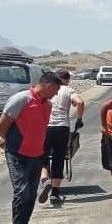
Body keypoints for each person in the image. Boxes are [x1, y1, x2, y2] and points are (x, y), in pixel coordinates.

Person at [0, 72, 62, 224]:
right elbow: (1, 126)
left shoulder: (47, 105)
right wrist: (9, 141)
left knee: (30, 194)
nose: (56, 94)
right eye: (55, 90)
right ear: (47, 85)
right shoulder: (21, 99)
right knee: (22, 191)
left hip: (36, 154)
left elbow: (39, 129)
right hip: (17, 153)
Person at [39, 69, 85, 204]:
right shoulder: (68, 90)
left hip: (46, 127)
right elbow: (80, 103)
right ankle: (55, 193)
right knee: (59, 159)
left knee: (42, 155)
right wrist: (79, 118)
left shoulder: (48, 90)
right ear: (67, 80)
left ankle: (45, 179)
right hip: (62, 128)